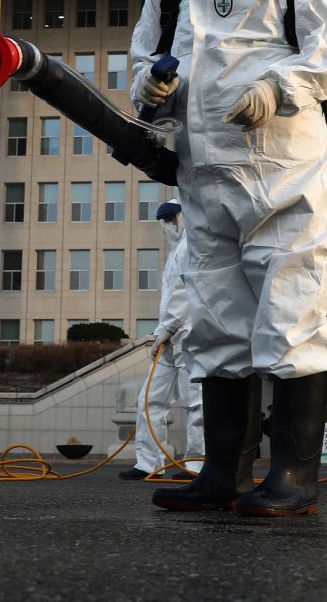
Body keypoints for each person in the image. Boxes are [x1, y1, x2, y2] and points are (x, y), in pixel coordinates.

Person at [130, 0, 327, 517]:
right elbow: (143, 65)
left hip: (290, 176)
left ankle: (292, 477)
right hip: (207, 183)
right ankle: (222, 472)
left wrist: (280, 87)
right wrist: (154, 86)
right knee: (218, 328)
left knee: (288, 322)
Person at [118, 200, 205, 482]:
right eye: (164, 219)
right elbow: (169, 298)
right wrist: (161, 333)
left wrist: (168, 326)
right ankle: (149, 463)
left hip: (189, 333)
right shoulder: (174, 252)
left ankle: (196, 464)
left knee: (194, 402)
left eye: (171, 217)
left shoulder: (193, 244)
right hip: (169, 336)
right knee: (149, 398)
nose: (167, 223)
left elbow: (186, 290)